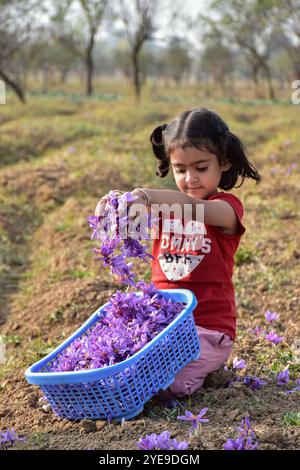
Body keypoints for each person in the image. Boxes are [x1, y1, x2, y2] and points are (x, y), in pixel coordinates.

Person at [95, 107, 261, 399]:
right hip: (162, 324)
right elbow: (130, 221)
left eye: (200, 167)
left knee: (162, 382)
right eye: (180, 169)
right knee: (116, 358)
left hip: (207, 331)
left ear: (223, 163)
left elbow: (191, 207)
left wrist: (145, 195)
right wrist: (112, 210)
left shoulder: (226, 208)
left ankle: (201, 374)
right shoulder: (162, 210)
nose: (190, 178)